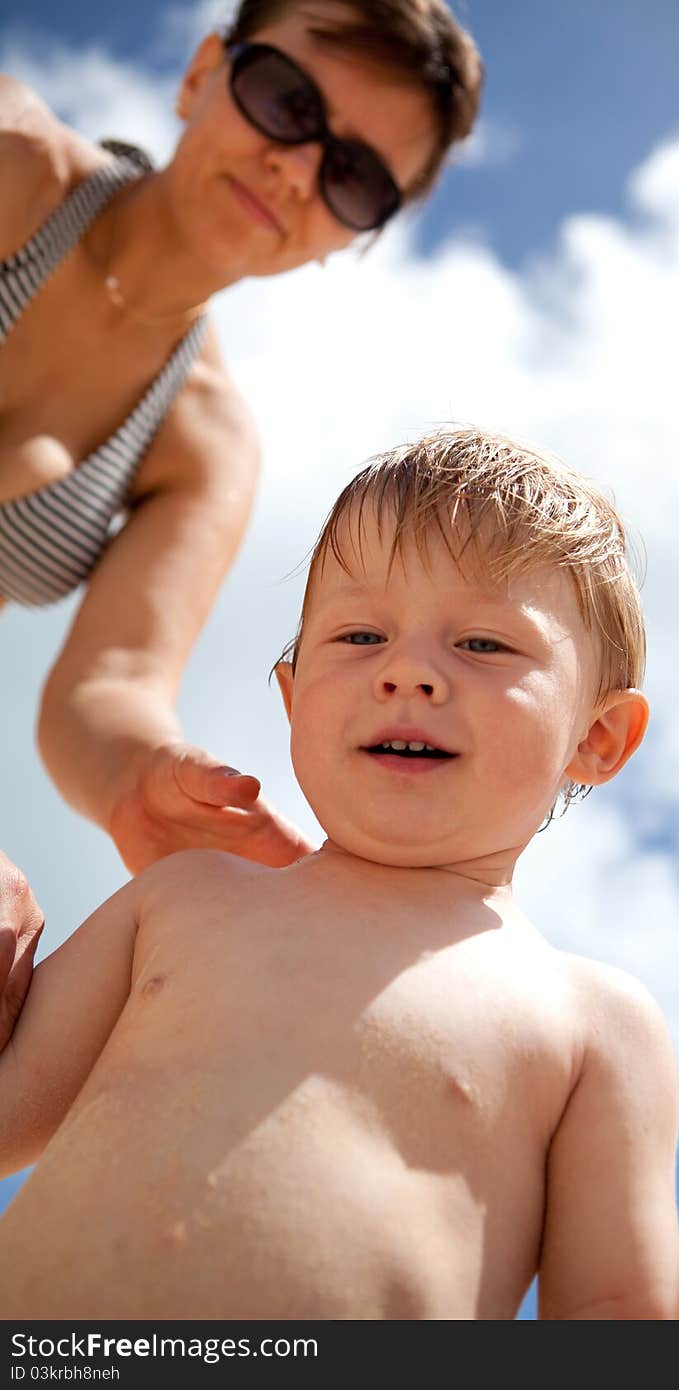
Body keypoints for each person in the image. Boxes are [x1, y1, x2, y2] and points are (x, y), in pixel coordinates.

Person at [0, 427, 679, 1319]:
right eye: (359, 634)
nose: (407, 673)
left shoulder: (595, 1022)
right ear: (288, 696)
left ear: (596, 737)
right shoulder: (182, 898)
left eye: (484, 645)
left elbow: (610, 1306)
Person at [0, 0, 483, 885]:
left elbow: (106, 686)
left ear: (354, 238)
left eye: (356, 177)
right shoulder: (12, 157)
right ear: (200, 74)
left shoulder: (207, 443)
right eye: (287, 100)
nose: (297, 168)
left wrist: (141, 777)